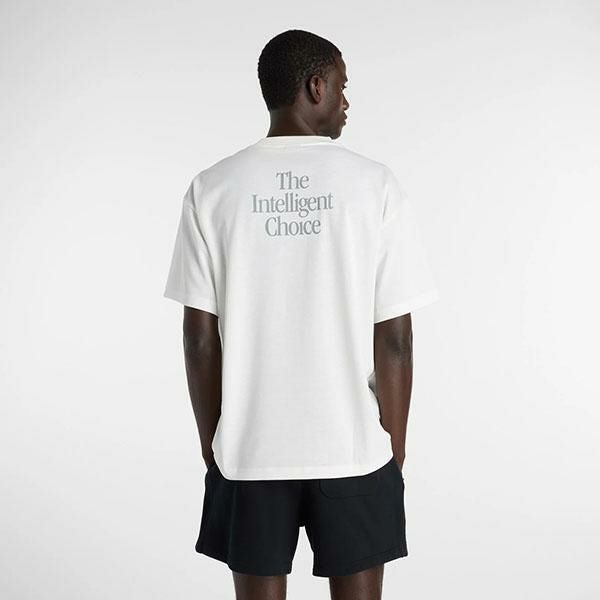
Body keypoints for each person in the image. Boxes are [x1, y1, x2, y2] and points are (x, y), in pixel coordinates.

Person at [163, 28, 439, 600]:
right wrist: (393, 450)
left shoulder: (212, 188)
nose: (346, 101)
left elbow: (198, 338)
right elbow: (395, 338)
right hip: (353, 448)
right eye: (342, 85)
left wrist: (216, 444)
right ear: (315, 86)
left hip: (250, 451)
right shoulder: (374, 186)